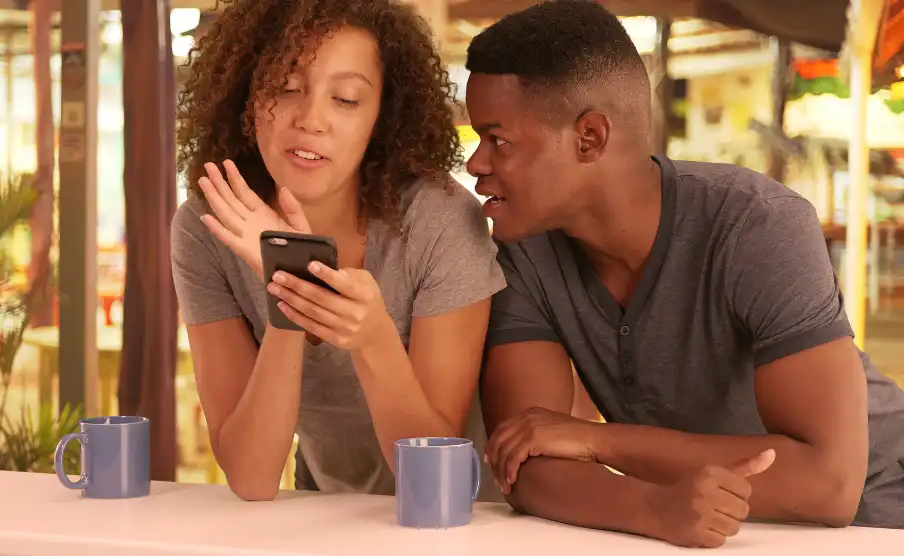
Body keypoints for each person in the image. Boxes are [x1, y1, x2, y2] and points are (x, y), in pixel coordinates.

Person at [466, 0, 904, 547]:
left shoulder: (756, 226)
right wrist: (655, 507)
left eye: (497, 139)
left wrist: (599, 443)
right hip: (717, 529)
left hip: (881, 511)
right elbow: (524, 463)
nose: (475, 163)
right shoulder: (526, 252)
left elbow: (829, 484)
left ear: (590, 138)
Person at [170, 0, 505, 501]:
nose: (312, 119)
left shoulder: (438, 222)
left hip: (465, 521)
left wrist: (372, 337)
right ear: (245, 92)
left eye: (346, 99)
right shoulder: (208, 227)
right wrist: (291, 282)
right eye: (286, 87)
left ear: (382, 117)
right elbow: (252, 476)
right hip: (326, 513)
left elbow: (432, 480)